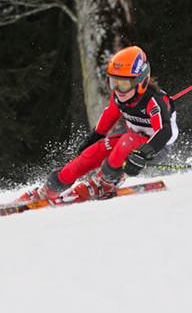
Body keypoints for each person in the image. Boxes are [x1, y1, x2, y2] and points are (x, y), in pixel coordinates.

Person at [25, 45, 178, 202]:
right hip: (131, 142)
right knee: (92, 153)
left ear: (141, 81)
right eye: (113, 82)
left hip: (156, 147)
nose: (118, 89)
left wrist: (143, 153)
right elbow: (110, 115)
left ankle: (105, 183)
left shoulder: (155, 102)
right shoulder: (120, 97)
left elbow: (165, 131)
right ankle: (49, 189)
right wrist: (93, 138)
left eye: (123, 84)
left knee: (126, 141)